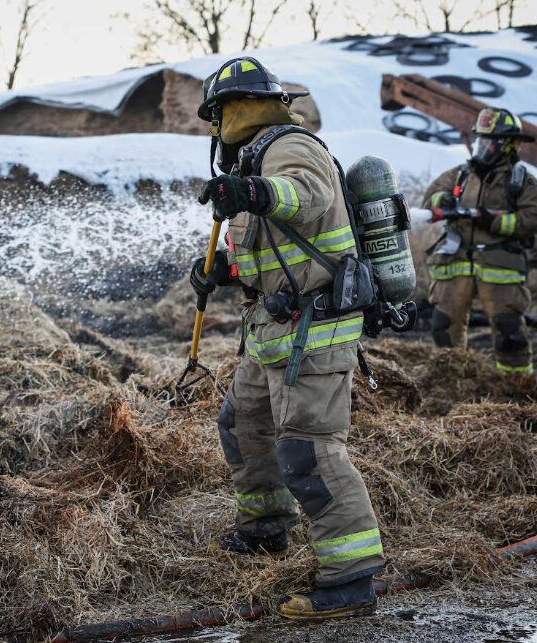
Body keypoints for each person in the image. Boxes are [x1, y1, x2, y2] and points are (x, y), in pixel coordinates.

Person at [190, 57, 383, 620]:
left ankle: (350, 581)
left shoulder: (289, 146)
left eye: (218, 113)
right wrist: (225, 273)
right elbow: (271, 254)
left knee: (309, 452)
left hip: (314, 332)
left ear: (234, 108)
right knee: (242, 424)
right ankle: (266, 528)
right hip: (272, 333)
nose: (216, 126)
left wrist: (255, 191)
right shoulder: (254, 159)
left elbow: (306, 197)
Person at [423, 107, 537, 374]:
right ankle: (450, 381)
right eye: (482, 141)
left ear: (508, 145)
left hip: (499, 264)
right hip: (455, 261)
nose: (484, 147)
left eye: (491, 142)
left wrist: (491, 220)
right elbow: (431, 195)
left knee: (508, 330)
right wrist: (443, 201)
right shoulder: (461, 175)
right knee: (443, 326)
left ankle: (514, 387)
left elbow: (534, 216)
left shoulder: (521, 182)